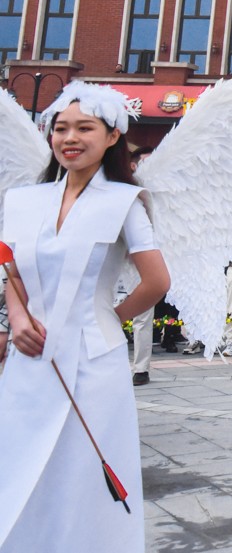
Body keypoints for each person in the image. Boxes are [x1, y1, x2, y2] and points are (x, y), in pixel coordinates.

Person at [0, 84, 171, 553]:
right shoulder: (23, 200)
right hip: (29, 358)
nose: (70, 137)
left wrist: (106, 318)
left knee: (82, 471)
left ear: (113, 135)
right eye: (61, 128)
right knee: (18, 461)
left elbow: (156, 282)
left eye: (84, 128)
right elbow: (9, 271)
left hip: (96, 363)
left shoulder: (124, 202)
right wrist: (16, 319)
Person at [125, 145, 158, 386]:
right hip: (110, 265)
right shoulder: (117, 188)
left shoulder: (154, 194)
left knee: (142, 318)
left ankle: (141, 367)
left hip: (141, 262)